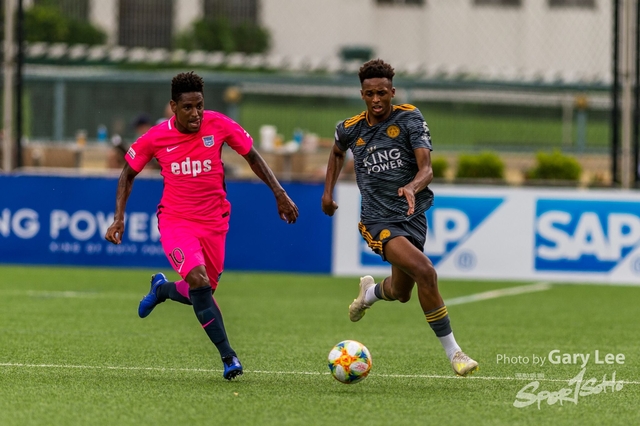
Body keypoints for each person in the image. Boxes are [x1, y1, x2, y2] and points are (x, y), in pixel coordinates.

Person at [105, 71, 299, 380]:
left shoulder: (218, 124)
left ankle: (162, 289)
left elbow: (252, 157)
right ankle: (228, 356)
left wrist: (279, 193)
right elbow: (127, 174)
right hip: (175, 221)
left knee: (201, 290)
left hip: (214, 223)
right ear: (173, 107)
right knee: (198, 280)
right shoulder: (156, 137)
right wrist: (119, 217)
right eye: (188, 107)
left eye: (199, 106)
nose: (195, 113)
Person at [321, 59, 478, 377]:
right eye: (369, 94)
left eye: (382, 93)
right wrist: (327, 192)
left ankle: (369, 293)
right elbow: (337, 151)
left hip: (412, 214)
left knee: (402, 292)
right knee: (425, 271)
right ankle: (455, 353)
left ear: (392, 92)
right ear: (362, 94)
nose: (376, 99)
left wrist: (412, 187)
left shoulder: (409, 118)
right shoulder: (350, 128)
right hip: (377, 219)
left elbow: (426, 169)